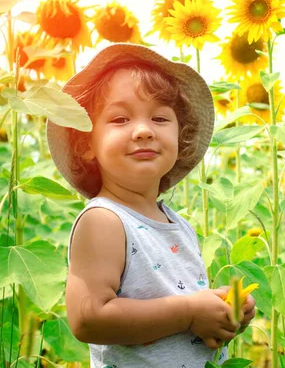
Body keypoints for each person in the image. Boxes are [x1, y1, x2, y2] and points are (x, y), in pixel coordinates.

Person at [46, 43, 256, 367]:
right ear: (86, 142)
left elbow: (179, 303)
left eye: (159, 118)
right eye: (120, 119)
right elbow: (88, 317)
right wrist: (189, 313)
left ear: (180, 137)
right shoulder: (104, 220)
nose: (144, 131)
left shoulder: (177, 223)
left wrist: (220, 311)